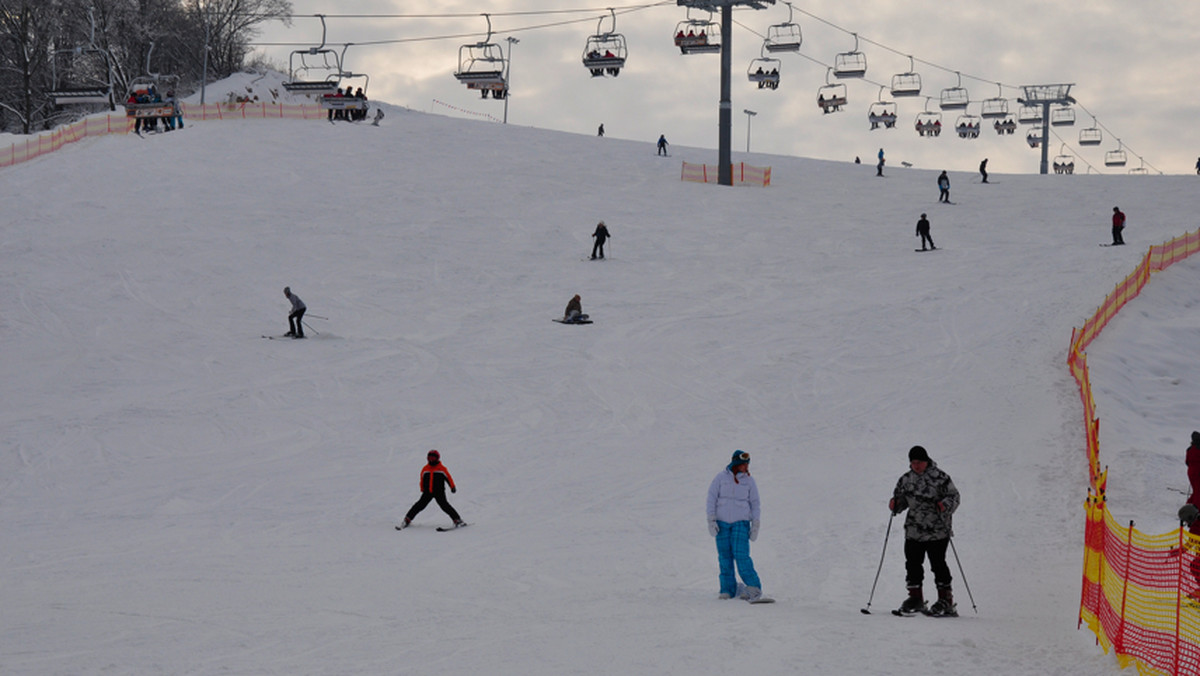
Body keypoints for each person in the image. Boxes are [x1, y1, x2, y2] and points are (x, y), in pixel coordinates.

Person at [889, 445, 960, 616]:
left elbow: (954, 496)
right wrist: (896, 505)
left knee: (938, 564)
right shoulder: (906, 479)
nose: (916, 465)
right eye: (913, 462)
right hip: (914, 530)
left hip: (937, 530)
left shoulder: (941, 478)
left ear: (926, 460)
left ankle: (946, 601)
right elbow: (902, 500)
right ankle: (915, 598)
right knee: (912, 564)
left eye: (919, 462)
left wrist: (944, 506)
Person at [706, 451, 764, 601]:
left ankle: (753, 587)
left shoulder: (749, 481)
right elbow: (711, 498)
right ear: (736, 464)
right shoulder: (720, 478)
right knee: (724, 557)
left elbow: (755, 503)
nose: (746, 467)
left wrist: (755, 524)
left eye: (747, 464)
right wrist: (711, 520)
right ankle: (727, 589)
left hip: (741, 523)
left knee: (741, 555)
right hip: (722, 524)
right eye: (744, 464)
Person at [398, 450, 464, 529]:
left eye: (433, 458)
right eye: (429, 458)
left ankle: (457, 520)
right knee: (419, 505)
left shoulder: (442, 469)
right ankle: (407, 519)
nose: (431, 459)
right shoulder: (425, 469)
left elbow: (448, 478)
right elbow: (422, 479)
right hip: (428, 492)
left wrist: (452, 487)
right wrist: (422, 488)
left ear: (437, 458)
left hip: (439, 492)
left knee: (445, 506)